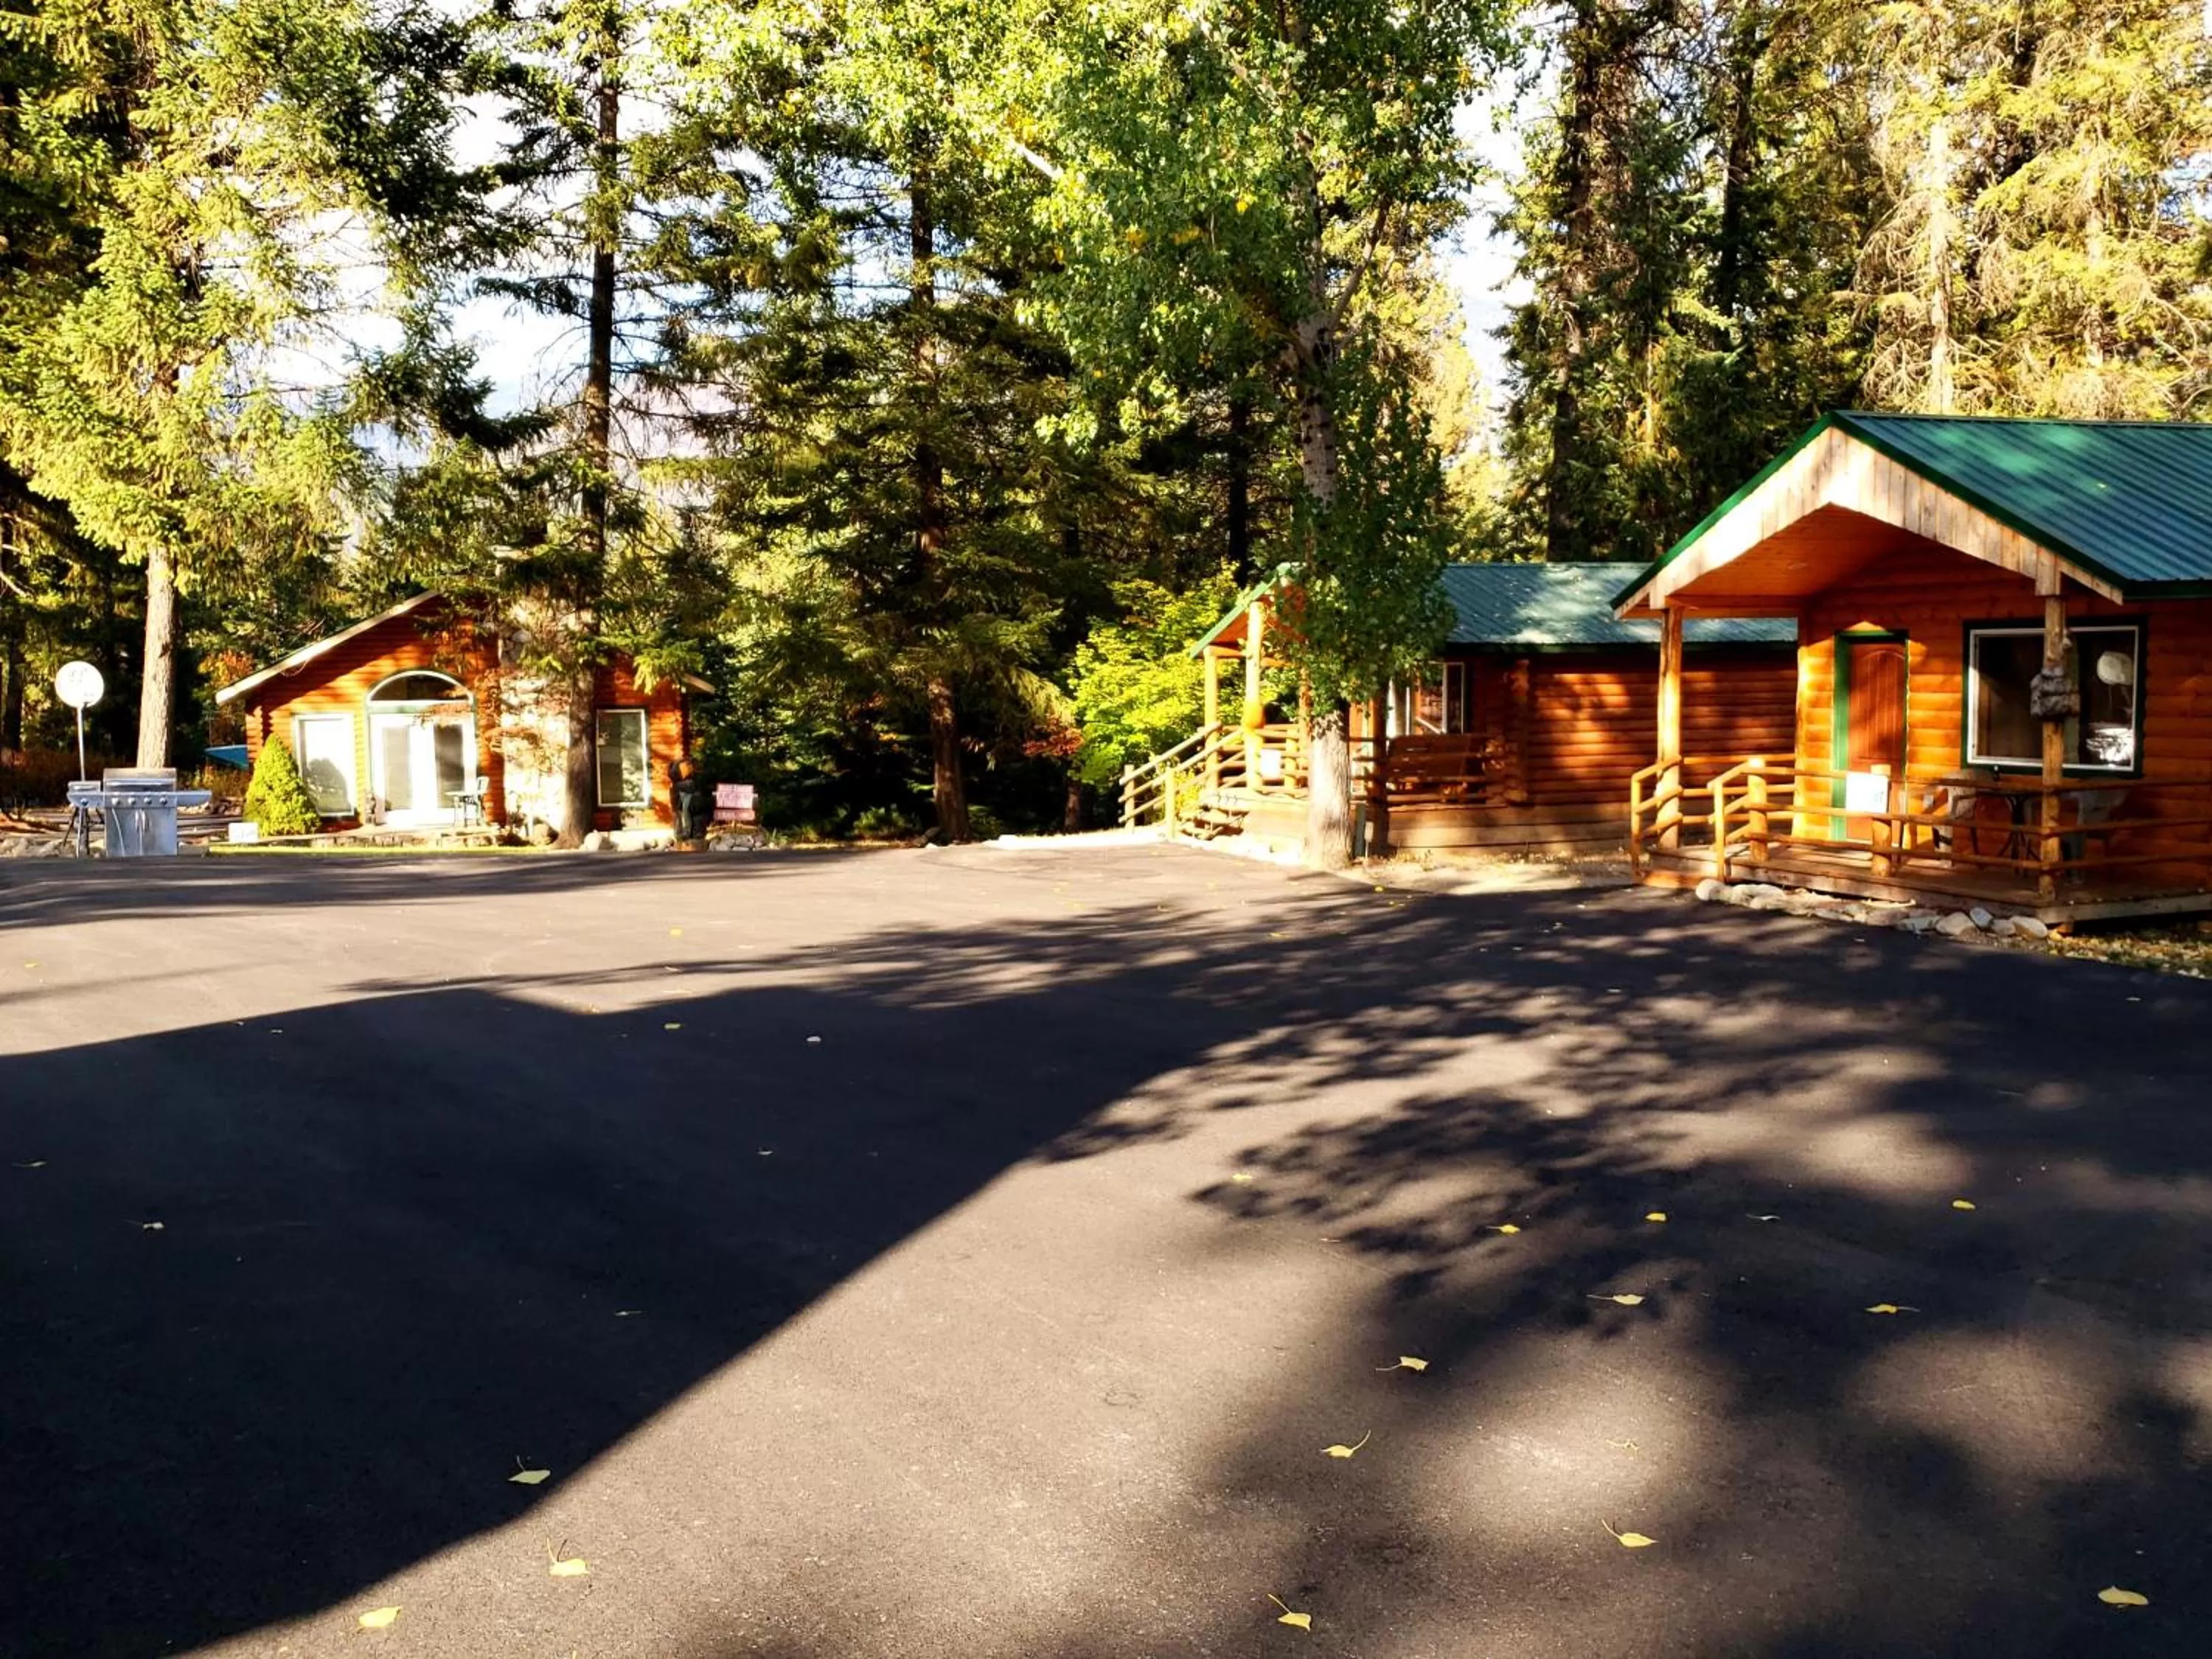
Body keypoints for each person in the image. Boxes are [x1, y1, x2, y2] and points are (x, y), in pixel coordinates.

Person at [671, 757, 712, 846]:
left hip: (693, 807)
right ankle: (689, 834)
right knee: (684, 815)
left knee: (686, 815)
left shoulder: (681, 784)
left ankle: (688, 834)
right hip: (692, 808)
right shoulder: (688, 782)